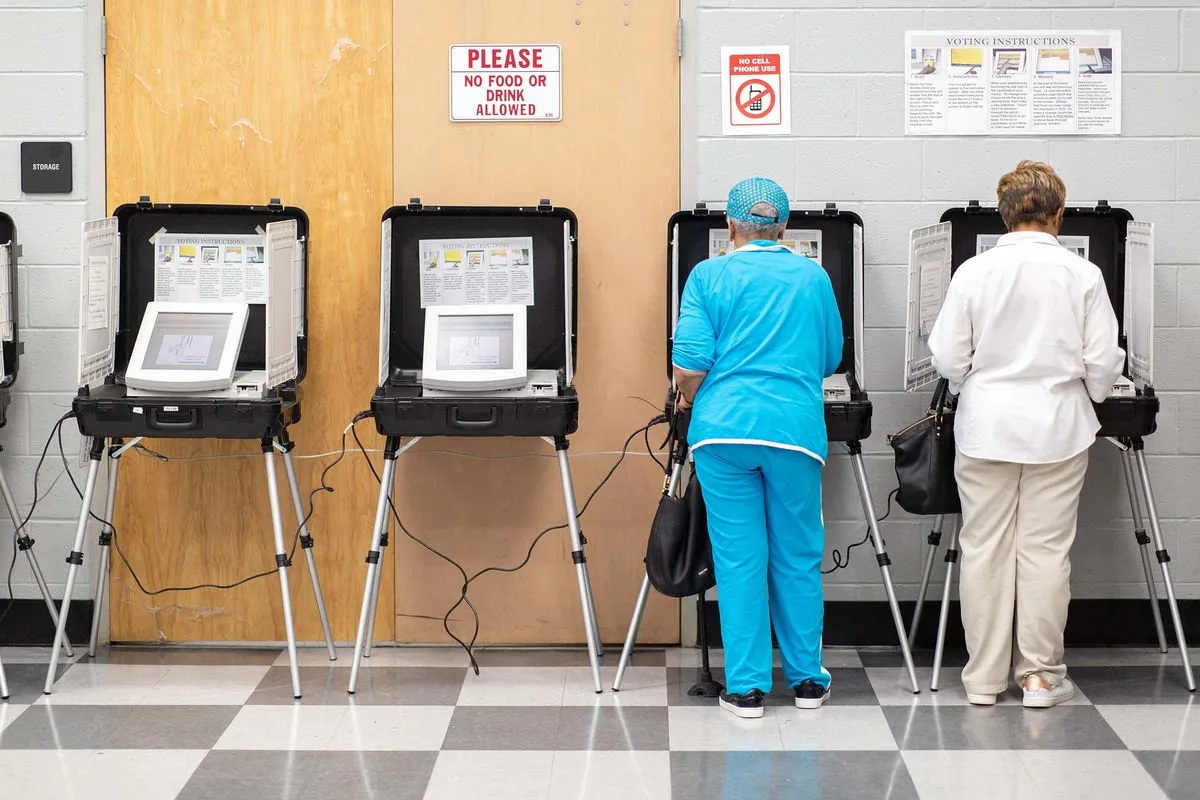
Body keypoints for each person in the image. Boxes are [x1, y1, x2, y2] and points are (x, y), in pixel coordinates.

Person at [928, 160, 1125, 708]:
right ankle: (1039, 676)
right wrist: (1096, 392)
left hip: (986, 427)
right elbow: (1103, 362)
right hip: (1058, 429)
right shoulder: (1082, 274)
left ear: (1004, 215)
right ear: (1058, 215)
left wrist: (975, 381)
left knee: (983, 547)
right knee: (1045, 552)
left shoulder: (974, 271)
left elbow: (947, 355)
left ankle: (983, 680)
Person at [672, 177, 843, 719]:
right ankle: (808, 683)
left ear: (730, 226)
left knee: (740, 557)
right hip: (794, 432)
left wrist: (686, 392)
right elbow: (831, 357)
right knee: (797, 555)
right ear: (785, 229)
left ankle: (746, 689)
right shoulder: (812, 277)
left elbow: (690, 365)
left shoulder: (707, 274)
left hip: (723, 433)